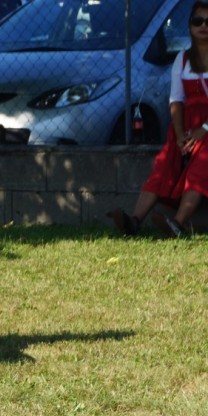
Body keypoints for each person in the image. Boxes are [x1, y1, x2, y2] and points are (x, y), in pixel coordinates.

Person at [108, 0, 208, 238]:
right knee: (164, 164)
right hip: (187, 125)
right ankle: (135, 220)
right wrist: (180, 134)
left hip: (206, 128)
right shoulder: (182, 59)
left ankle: (178, 224)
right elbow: (176, 100)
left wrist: (203, 129)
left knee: (200, 167)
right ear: (190, 25)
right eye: (198, 21)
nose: (204, 26)